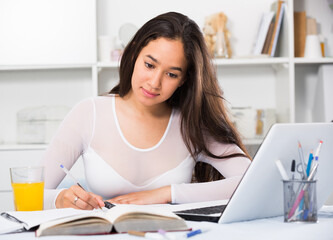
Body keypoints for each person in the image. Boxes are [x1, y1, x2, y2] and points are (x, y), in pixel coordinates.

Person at [42, 12, 251, 210]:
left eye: (171, 74)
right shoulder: (89, 114)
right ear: (133, 53)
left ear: (184, 80)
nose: (154, 83)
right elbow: (29, 196)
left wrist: (168, 193)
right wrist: (59, 199)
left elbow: (254, 179)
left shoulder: (191, 124)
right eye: (150, 65)